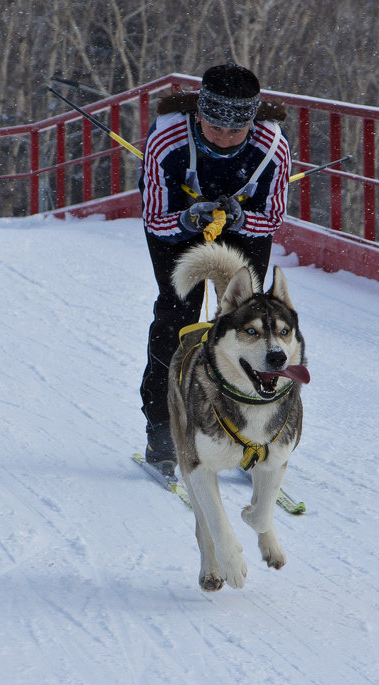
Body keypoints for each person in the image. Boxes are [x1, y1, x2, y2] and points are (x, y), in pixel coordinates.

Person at [138, 63, 291, 470]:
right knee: (178, 314)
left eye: (234, 131)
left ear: (252, 122)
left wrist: (240, 218)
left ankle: (254, 430)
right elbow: (156, 218)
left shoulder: (271, 149)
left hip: (243, 223)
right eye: (213, 127)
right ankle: (162, 428)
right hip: (176, 222)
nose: (223, 138)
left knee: (248, 323)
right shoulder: (167, 140)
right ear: (199, 114)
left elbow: (272, 216)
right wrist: (188, 220)